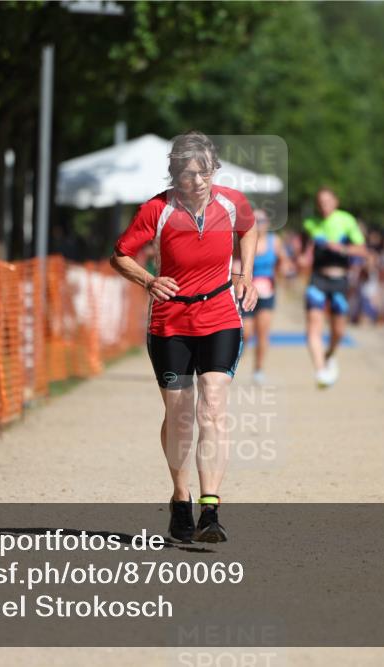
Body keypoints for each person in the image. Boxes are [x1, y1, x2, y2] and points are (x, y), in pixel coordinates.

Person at [110, 131, 257, 544]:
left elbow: (249, 230)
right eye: (187, 173)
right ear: (175, 173)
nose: (196, 181)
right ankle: (180, 498)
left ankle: (210, 509)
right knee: (180, 416)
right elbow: (119, 254)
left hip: (220, 314)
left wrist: (245, 273)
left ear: (214, 170)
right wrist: (148, 280)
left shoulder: (232, 203)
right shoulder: (155, 209)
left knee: (212, 405)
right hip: (170, 323)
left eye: (203, 172)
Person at [302, 187, 368, 387]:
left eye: (327, 201)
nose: (324, 206)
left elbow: (362, 250)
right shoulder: (310, 224)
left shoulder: (346, 220)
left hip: (340, 282)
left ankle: (329, 354)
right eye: (320, 202)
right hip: (317, 280)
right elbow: (305, 252)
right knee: (314, 325)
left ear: (335, 202)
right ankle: (321, 371)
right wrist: (302, 258)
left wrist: (342, 248)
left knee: (338, 330)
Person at [241, 209, 290, 385]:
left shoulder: (274, 241)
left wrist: (281, 272)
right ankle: (241, 350)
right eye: (254, 220)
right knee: (246, 332)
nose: (258, 224)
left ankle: (258, 369)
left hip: (267, 292)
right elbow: (236, 263)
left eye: (261, 220)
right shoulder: (244, 241)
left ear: (267, 223)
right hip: (246, 292)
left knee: (263, 333)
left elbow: (282, 260)